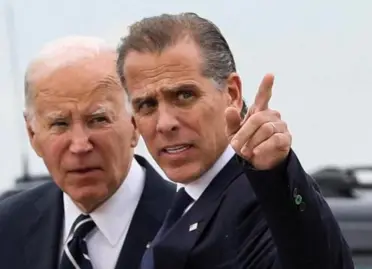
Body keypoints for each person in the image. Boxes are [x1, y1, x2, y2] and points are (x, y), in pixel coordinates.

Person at [116, 12, 354, 269]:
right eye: (147, 105)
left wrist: (275, 175)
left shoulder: (260, 201)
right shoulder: (180, 204)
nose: (164, 123)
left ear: (231, 94)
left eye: (184, 96)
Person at [0, 36, 176, 269]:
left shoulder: (195, 227)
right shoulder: (7, 228)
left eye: (98, 120)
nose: (80, 145)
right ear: (32, 134)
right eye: (59, 124)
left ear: (135, 123)